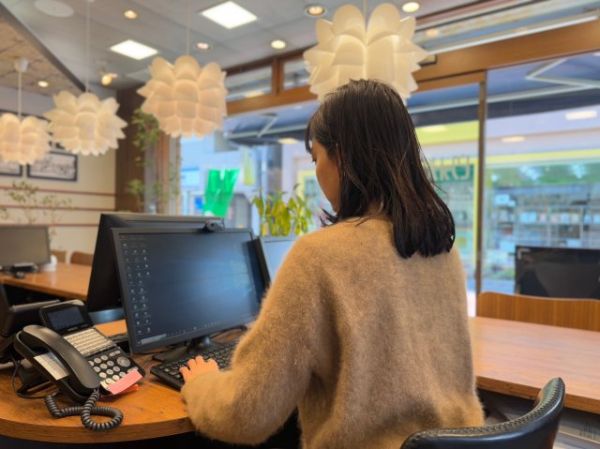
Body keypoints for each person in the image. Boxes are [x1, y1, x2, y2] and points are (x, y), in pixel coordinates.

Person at [180, 79, 484, 449]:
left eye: (316, 158)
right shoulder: (443, 251)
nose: (317, 171)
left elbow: (245, 414)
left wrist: (200, 384)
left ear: (340, 157)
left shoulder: (319, 256)